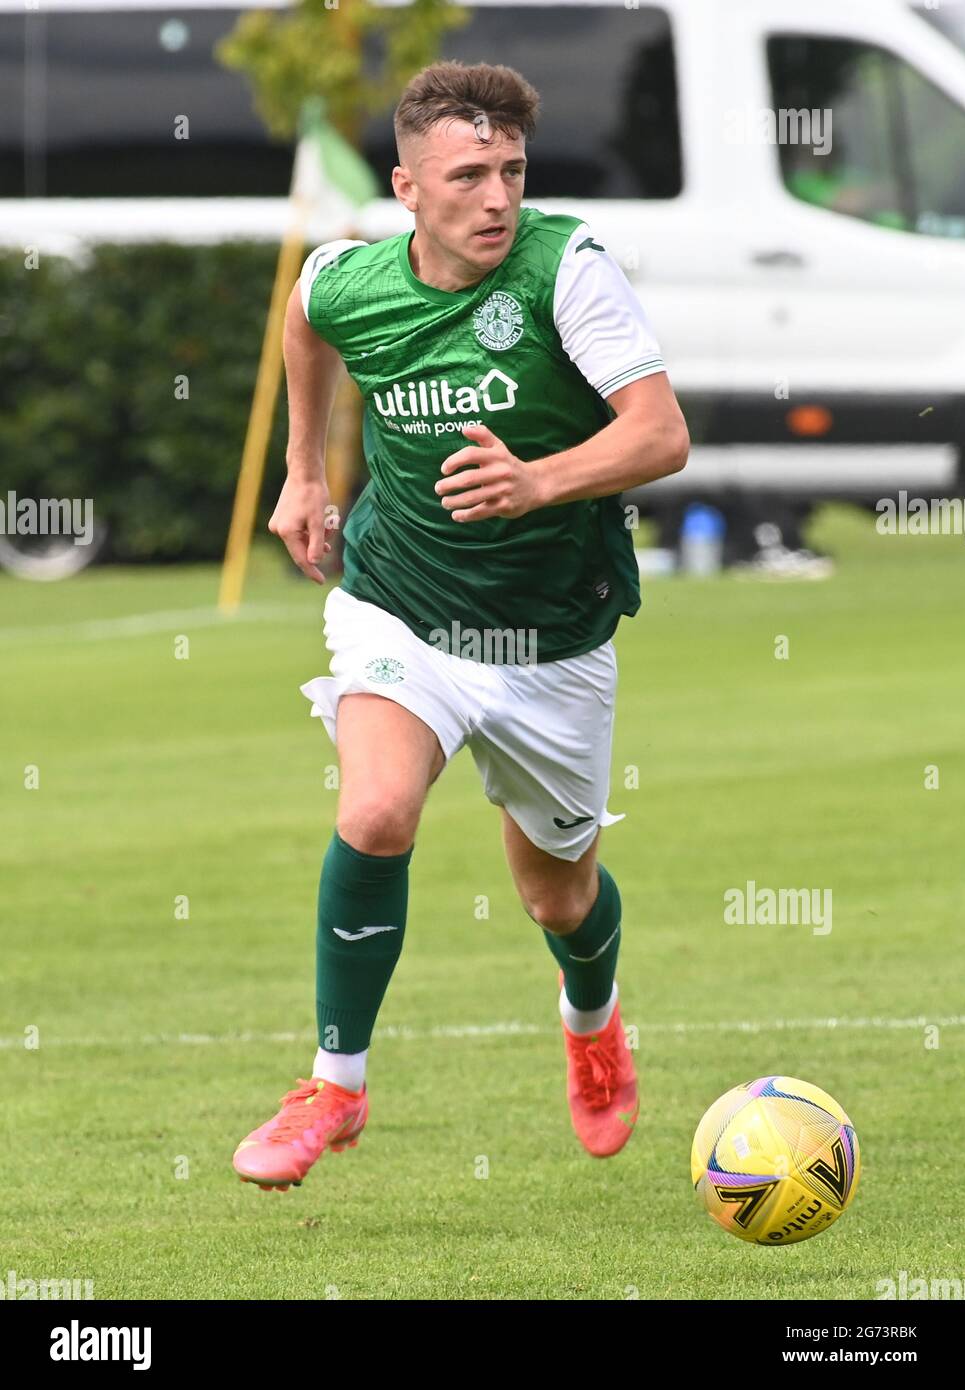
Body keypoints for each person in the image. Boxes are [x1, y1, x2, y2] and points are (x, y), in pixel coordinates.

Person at [233, 61, 689, 1192]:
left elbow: (660, 435)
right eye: (469, 175)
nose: (497, 199)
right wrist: (301, 471)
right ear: (405, 187)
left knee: (558, 892)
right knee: (378, 808)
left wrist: (538, 481)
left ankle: (593, 1021)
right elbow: (303, 319)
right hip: (403, 607)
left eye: (513, 172)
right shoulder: (351, 280)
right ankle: (334, 1085)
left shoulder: (565, 269)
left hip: (552, 638)